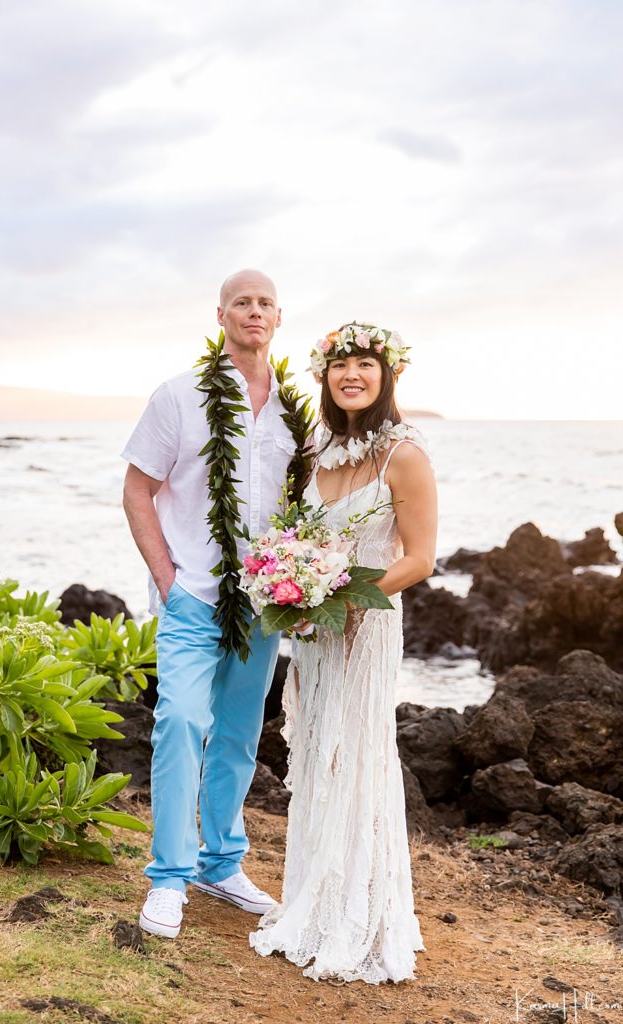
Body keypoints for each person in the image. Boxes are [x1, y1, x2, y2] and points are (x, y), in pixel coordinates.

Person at [250, 322, 438, 984]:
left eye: (365, 364)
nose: (352, 374)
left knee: (356, 751)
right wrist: (294, 583)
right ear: (324, 376)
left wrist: (345, 595)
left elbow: (419, 558)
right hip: (315, 629)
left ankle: (359, 915)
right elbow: (295, 534)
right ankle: (313, 899)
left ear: (388, 376)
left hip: (366, 622)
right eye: (340, 365)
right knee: (319, 746)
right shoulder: (316, 448)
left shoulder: (405, 456)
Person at [122, 269, 299, 939]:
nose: (253, 312)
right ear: (221, 315)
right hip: (192, 594)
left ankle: (220, 866)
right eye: (242, 302)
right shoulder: (178, 397)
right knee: (179, 723)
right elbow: (137, 490)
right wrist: (167, 578)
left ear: (279, 318)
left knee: (236, 735)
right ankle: (169, 878)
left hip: (261, 605)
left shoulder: (292, 413)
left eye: (264, 303)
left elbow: (298, 507)